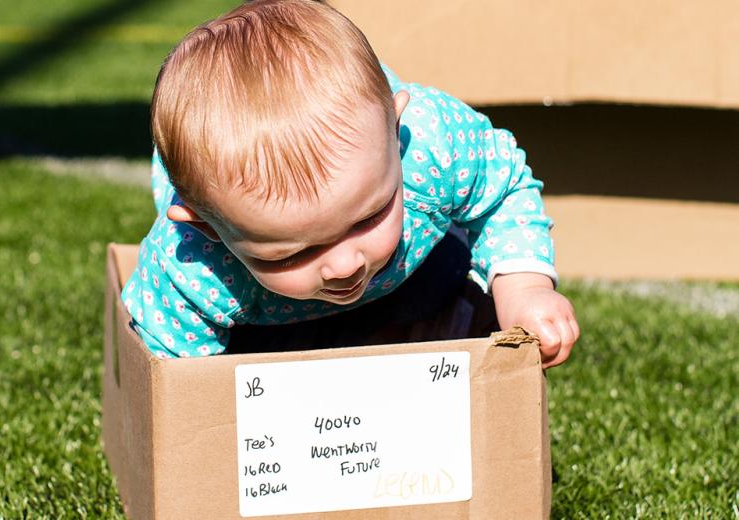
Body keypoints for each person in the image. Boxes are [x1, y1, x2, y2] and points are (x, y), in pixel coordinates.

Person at [121, 0, 579, 367]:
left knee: (445, 278)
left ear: (396, 136)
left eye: (368, 217)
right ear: (208, 229)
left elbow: (502, 189)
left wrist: (524, 289)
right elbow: (178, 384)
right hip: (270, 323)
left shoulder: (430, 146)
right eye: (292, 253)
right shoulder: (191, 267)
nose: (343, 266)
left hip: (412, 266)